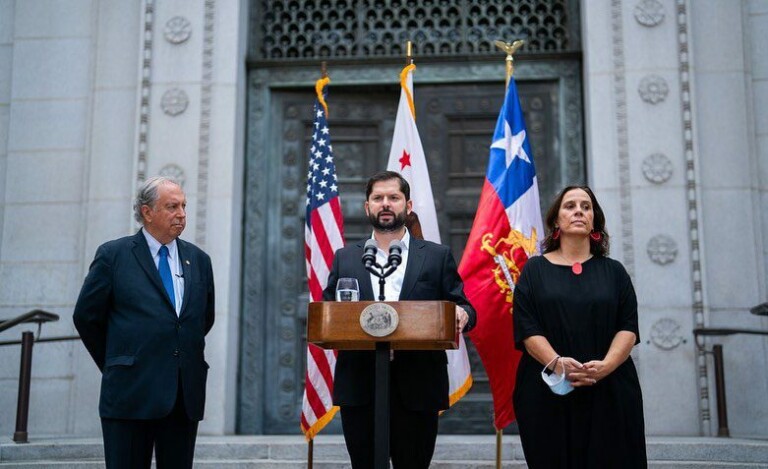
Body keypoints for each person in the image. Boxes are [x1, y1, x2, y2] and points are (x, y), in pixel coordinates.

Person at [323, 170, 476, 469]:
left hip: (418, 384)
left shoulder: (435, 255)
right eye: (378, 198)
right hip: (361, 383)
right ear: (367, 207)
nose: (385, 204)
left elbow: (463, 304)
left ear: (407, 205)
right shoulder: (347, 257)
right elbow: (329, 311)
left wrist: (463, 313)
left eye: (393, 197)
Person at [73, 176, 215, 469]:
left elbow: (203, 319)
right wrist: (119, 361)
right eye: (172, 206)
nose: (182, 214)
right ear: (147, 212)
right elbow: (87, 317)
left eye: (184, 206)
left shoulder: (198, 260)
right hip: (130, 393)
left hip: (182, 395)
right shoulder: (114, 255)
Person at [512, 185, 647, 468]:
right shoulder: (534, 270)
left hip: (610, 391)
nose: (578, 212)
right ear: (556, 221)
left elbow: (628, 327)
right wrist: (556, 362)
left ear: (594, 221)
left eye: (586, 207)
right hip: (548, 391)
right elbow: (526, 326)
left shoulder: (615, 272)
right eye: (570, 206)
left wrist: (606, 366)